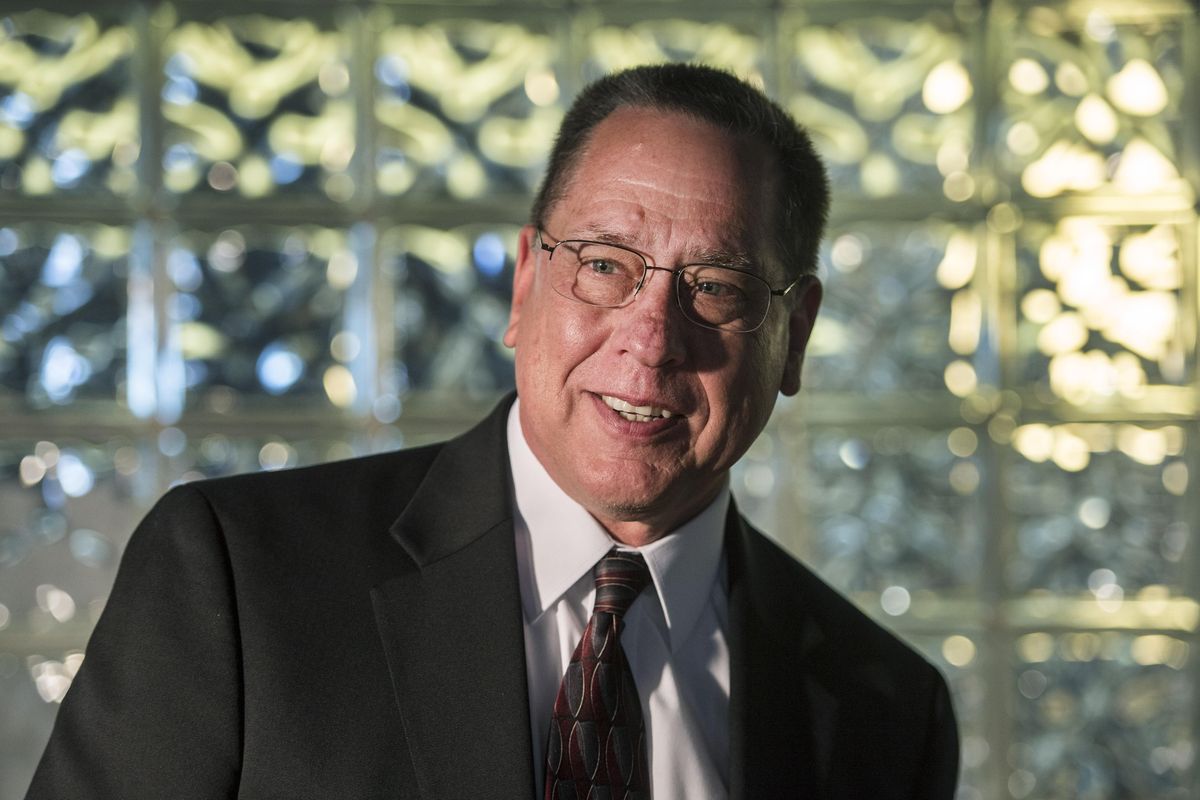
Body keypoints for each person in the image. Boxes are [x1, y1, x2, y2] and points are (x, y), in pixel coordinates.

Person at [26, 64, 958, 799]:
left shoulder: (889, 715)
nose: (650, 342)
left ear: (793, 336)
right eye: (603, 264)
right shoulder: (237, 577)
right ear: (526, 282)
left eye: (716, 288)